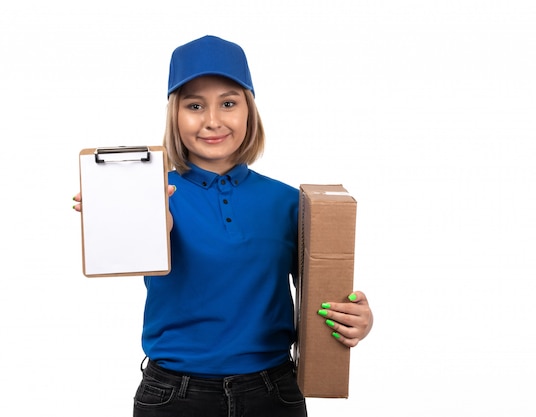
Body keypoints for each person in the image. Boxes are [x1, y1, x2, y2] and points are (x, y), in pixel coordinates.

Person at [72, 35, 373, 417]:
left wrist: (357, 319)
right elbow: (125, 253)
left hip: (273, 391)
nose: (212, 120)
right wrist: (121, 219)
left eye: (228, 103)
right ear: (174, 115)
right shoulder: (153, 194)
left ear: (249, 111)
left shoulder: (288, 202)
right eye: (194, 105)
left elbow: (321, 294)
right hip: (174, 395)